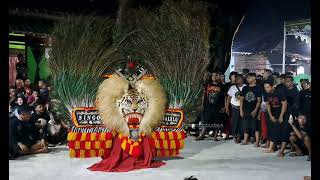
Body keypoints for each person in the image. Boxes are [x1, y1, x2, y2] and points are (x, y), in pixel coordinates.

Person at [195, 71, 225, 141]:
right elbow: (204, 95)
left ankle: (215, 136)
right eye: (213, 76)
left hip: (218, 106)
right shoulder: (208, 85)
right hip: (208, 105)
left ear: (219, 77)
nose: (214, 77)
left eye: (216, 75)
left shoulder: (222, 86)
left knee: (217, 121)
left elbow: (226, 97)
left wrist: (225, 106)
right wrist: (202, 104)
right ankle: (202, 134)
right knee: (206, 120)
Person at [263, 80, 289, 157]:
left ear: (272, 86)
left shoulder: (279, 92)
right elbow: (267, 104)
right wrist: (271, 115)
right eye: (265, 87)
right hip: (274, 112)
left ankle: (281, 151)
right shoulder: (266, 93)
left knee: (284, 130)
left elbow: (284, 104)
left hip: (283, 112)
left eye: (267, 87)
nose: (266, 89)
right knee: (272, 129)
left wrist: (281, 116)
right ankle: (271, 148)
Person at [240, 73, 262, 146]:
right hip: (246, 110)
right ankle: (245, 140)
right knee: (245, 125)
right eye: (247, 78)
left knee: (255, 126)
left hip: (254, 110)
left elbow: (259, 100)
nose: (247, 79)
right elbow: (241, 100)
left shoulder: (258, 88)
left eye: (249, 77)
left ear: (254, 78)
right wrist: (241, 110)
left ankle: (257, 142)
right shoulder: (245, 88)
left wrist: (256, 110)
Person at [226, 73, 246, 143]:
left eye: (238, 79)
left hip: (243, 108)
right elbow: (228, 98)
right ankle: (235, 135)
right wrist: (227, 107)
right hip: (234, 108)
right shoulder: (232, 87)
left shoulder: (245, 87)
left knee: (241, 123)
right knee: (234, 122)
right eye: (236, 79)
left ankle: (239, 136)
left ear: (242, 79)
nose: (236, 80)